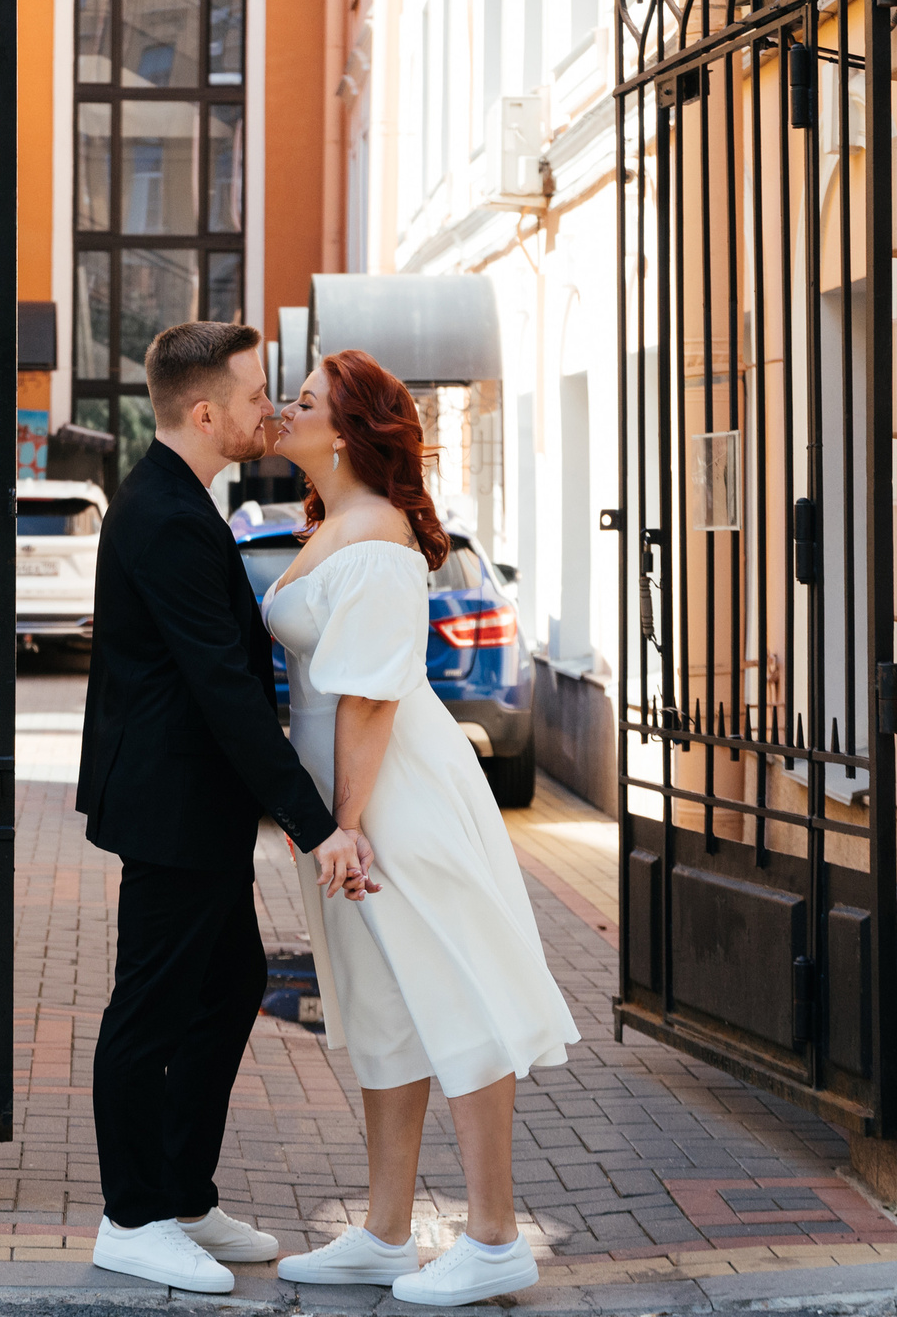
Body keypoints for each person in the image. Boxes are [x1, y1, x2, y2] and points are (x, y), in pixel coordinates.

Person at [262, 349, 581, 1306]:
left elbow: (366, 698)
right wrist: (324, 820)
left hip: (398, 796)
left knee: (459, 992)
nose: (287, 410)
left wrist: (343, 826)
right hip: (360, 799)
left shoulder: (371, 537)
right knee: (384, 1009)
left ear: (350, 431)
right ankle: (386, 1232)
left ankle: (492, 1238)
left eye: (307, 402)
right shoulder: (334, 524)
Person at [79, 320, 379, 1296]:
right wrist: (318, 820)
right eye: (256, 397)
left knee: (227, 981)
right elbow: (221, 688)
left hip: (191, 805)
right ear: (205, 413)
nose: (269, 411)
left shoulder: (182, 498)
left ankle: (182, 1196)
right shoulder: (165, 514)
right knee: (151, 1009)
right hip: (170, 807)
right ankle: (132, 1218)